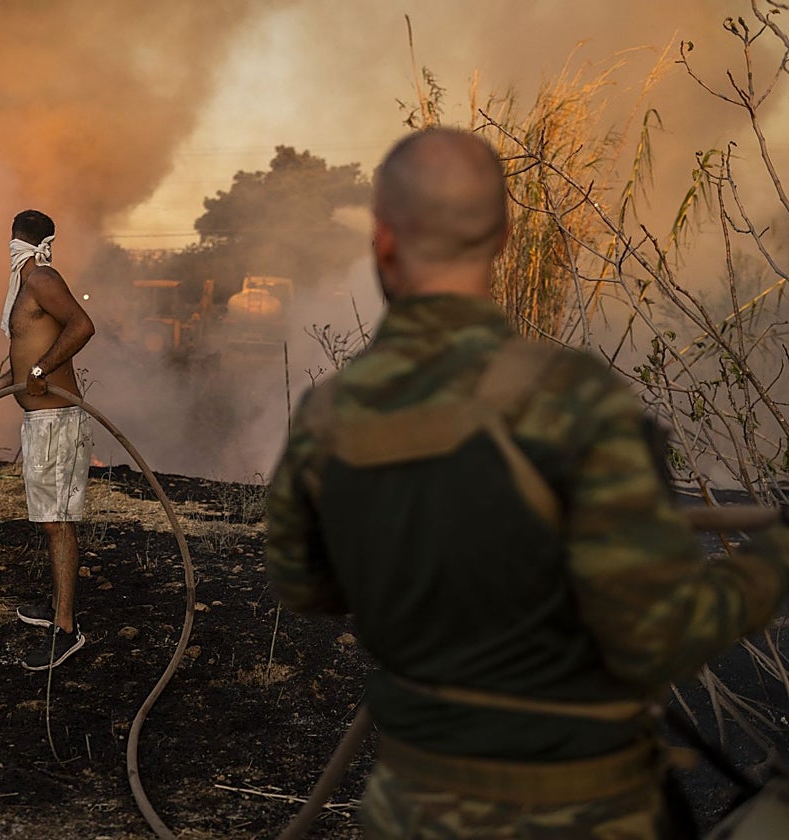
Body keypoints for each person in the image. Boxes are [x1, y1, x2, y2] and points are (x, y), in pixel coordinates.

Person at [264, 127, 789, 838]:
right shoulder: (576, 399)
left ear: (383, 239)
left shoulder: (329, 413)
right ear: (504, 236)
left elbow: (305, 587)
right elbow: (658, 637)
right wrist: (773, 559)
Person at [0, 209, 96, 671]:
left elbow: (83, 325)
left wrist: (41, 372)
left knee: (58, 522)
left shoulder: (41, 277)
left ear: (14, 242)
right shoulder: (28, 284)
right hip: (43, 423)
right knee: (50, 520)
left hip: (58, 421)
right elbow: (29, 354)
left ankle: (67, 631)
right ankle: (57, 608)